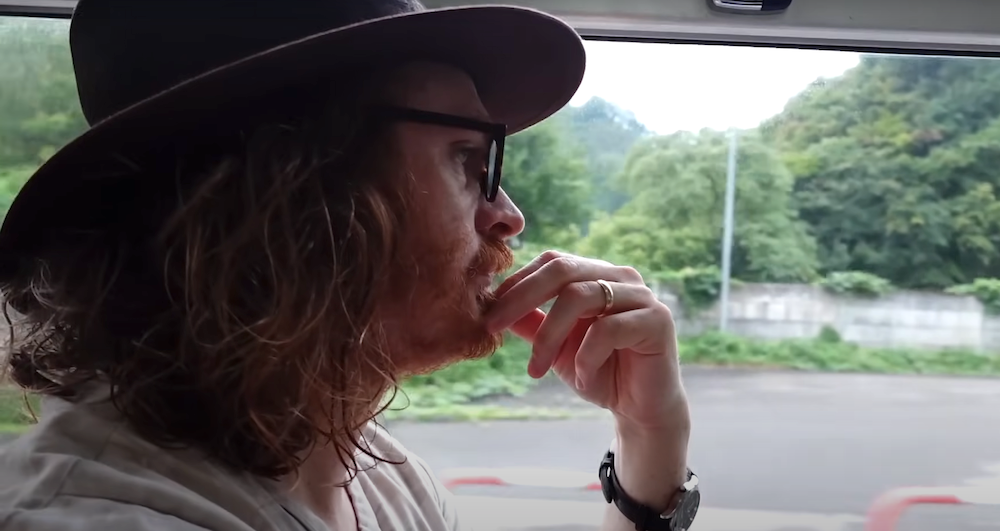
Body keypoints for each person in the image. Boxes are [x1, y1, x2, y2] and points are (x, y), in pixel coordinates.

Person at [0, 0, 698, 530]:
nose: (508, 215)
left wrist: (649, 441)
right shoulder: (102, 513)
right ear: (301, 198)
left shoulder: (380, 474)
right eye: (468, 160)